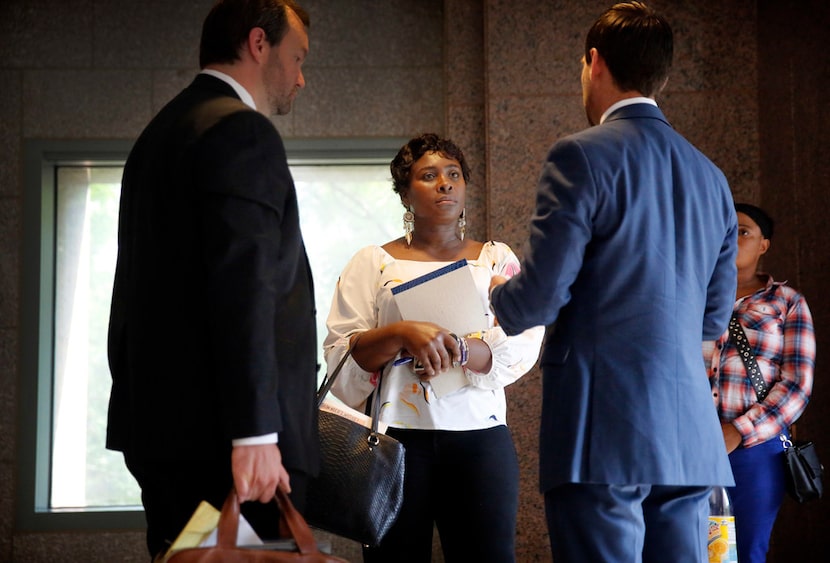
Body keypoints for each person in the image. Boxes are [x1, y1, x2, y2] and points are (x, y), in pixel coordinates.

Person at [488, 2, 738, 561]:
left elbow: (542, 297)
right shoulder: (712, 177)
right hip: (689, 434)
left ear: (594, 62)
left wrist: (496, 294)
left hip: (601, 426)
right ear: (663, 76)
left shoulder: (580, 155)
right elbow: (715, 318)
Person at [106, 0, 315, 559]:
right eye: (296, 58)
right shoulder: (241, 131)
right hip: (232, 451)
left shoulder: (156, 138)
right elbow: (243, 288)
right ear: (257, 43)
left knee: (186, 558)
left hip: (163, 437)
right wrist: (255, 436)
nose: (300, 77)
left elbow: (136, 295)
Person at [323, 133, 543, 563]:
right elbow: (341, 356)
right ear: (406, 194)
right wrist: (402, 333)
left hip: (481, 441)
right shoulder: (372, 263)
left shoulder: (495, 261)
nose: (445, 184)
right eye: (428, 175)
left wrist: (459, 350)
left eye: (453, 174)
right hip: (395, 444)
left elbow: (523, 342)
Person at [705, 203, 815, 563]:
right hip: (687, 445)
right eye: (724, 229)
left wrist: (738, 430)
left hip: (756, 449)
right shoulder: (691, 298)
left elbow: (797, 385)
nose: (731, 237)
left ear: (764, 245)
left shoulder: (787, 303)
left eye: (743, 231)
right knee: (685, 549)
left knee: (746, 552)